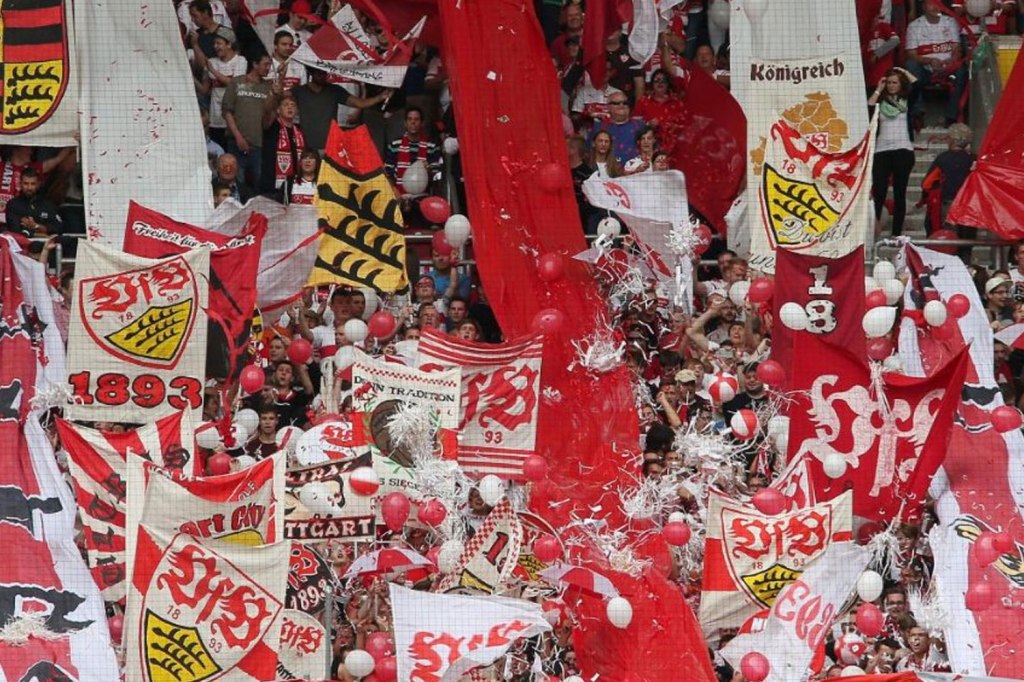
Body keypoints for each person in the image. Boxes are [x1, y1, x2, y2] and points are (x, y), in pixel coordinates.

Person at [292, 68, 392, 152]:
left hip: (331, 147)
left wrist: (380, 97)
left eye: (325, 73)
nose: (323, 76)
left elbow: (359, 103)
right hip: (306, 147)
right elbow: (279, 97)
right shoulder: (299, 91)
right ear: (311, 73)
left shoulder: (335, 90)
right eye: (319, 73)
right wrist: (281, 77)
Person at [905, 0, 967, 127]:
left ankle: (951, 117)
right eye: (931, 4)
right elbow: (911, 54)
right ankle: (917, 113)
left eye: (938, 4)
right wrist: (930, 61)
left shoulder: (950, 22)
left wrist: (952, 59)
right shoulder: (914, 26)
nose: (935, 7)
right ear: (924, 7)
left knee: (962, 70)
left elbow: (957, 48)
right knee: (910, 66)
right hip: (925, 69)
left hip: (948, 69)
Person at [222, 55, 281, 188]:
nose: (268, 68)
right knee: (236, 183)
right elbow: (227, 112)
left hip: (257, 143)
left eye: (270, 65)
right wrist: (238, 137)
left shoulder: (267, 86)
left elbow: (268, 115)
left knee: (256, 183)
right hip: (234, 142)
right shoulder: (236, 82)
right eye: (265, 64)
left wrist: (274, 95)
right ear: (255, 64)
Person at [869, 68, 915, 237]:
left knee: (899, 192)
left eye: (895, 82)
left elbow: (916, 83)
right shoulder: (882, 100)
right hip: (882, 150)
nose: (891, 85)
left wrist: (901, 70)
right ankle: (874, 230)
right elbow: (869, 105)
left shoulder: (906, 99)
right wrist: (879, 89)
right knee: (879, 192)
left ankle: (896, 234)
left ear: (901, 84)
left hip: (903, 149)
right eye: (889, 82)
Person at [199, 30, 246, 149]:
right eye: (214, 43)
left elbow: (234, 85)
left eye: (219, 43)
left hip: (233, 119)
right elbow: (204, 90)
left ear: (229, 44)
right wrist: (190, 77)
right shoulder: (212, 62)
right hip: (215, 118)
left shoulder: (240, 61)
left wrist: (213, 71)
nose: (215, 47)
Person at [383, 107, 443, 197]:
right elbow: (387, 172)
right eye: (410, 119)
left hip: (423, 197)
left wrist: (429, 170)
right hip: (399, 196)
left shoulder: (432, 146)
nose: (413, 122)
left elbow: (438, 174)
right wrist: (394, 190)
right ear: (405, 123)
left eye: (416, 119)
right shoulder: (395, 145)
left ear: (422, 123)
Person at [633, 69, 685, 159]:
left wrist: (674, 127)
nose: (660, 83)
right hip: (649, 148)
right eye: (656, 81)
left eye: (663, 81)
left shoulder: (677, 104)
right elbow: (634, 125)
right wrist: (648, 124)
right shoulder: (643, 102)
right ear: (652, 84)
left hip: (673, 148)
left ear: (668, 84)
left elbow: (685, 126)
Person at [261, 94, 306, 195]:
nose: (290, 107)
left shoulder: (299, 130)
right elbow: (267, 112)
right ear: (278, 110)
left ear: (297, 110)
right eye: (285, 105)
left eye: (293, 105)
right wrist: (274, 94)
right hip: (273, 184)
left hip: (295, 185)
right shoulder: (272, 126)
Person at [4, 168, 63, 239]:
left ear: (38, 184)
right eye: (26, 183)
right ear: (20, 184)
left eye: (33, 184)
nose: (29, 188)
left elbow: (59, 228)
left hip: (45, 246)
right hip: (21, 246)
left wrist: (36, 226)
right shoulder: (13, 204)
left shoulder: (48, 205)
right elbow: (15, 231)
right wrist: (43, 234)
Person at [588, 91, 645, 164]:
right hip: (607, 172)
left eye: (625, 103)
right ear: (608, 107)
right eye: (616, 103)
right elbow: (589, 153)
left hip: (637, 171)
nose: (622, 105)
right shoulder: (599, 128)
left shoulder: (640, 126)